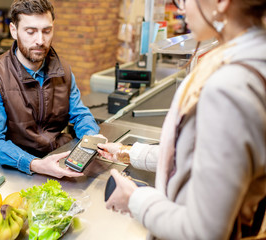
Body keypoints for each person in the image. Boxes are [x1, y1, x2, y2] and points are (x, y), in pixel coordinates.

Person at [97, 0, 266, 239]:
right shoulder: (252, 58)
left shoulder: (229, 86)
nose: (181, 8)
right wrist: (128, 152)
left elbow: (204, 231)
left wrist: (134, 199)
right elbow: (198, 156)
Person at [0, 0, 100, 178]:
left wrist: (92, 140)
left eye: (46, 31)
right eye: (30, 31)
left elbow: (80, 114)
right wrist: (35, 164)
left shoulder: (63, 69)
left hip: (60, 155)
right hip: (18, 165)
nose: (40, 41)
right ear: (14, 30)